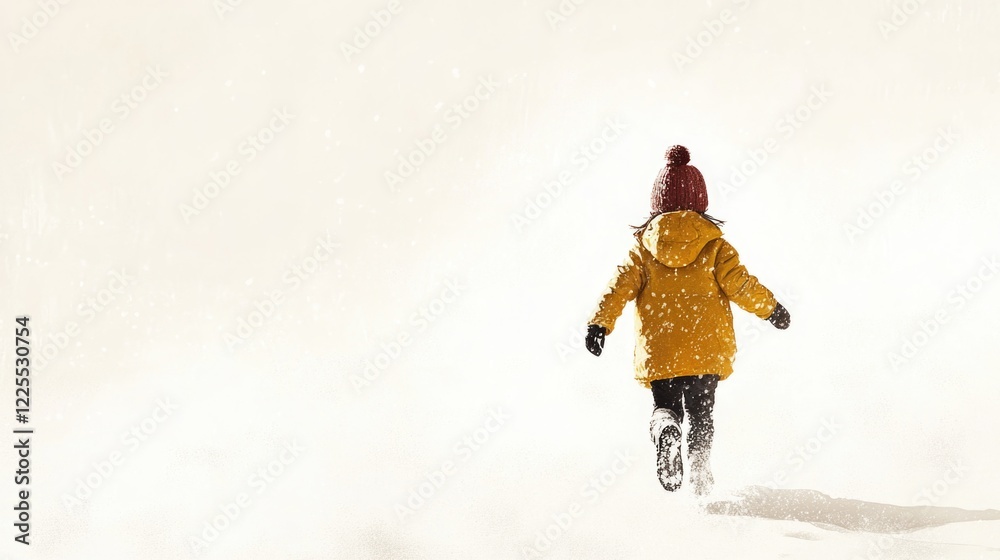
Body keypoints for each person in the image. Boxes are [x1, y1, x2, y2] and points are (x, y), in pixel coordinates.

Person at [585, 145, 790, 496]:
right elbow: (741, 285)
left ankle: (665, 426)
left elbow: (618, 288)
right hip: (705, 351)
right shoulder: (715, 248)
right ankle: (699, 472)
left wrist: (599, 324)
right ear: (701, 201)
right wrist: (771, 309)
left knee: (666, 407)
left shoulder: (643, 250)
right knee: (701, 414)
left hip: (661, 350)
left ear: (657, 203)